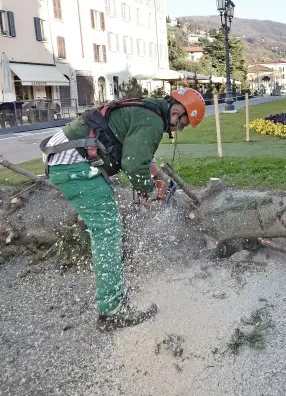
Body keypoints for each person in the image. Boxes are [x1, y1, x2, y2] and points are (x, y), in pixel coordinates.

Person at [39, 88, 206, 330]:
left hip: (68, 156)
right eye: (183, 124)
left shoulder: (148, 110)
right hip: (72, 163)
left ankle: (112, 292)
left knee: (108, 224)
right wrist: (149, 190)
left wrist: (156, 177)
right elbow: (132, 163)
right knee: (107, 229)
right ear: (177, 112)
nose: (180, 129)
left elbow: (141, 154)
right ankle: (113, 310)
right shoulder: (153, 120)